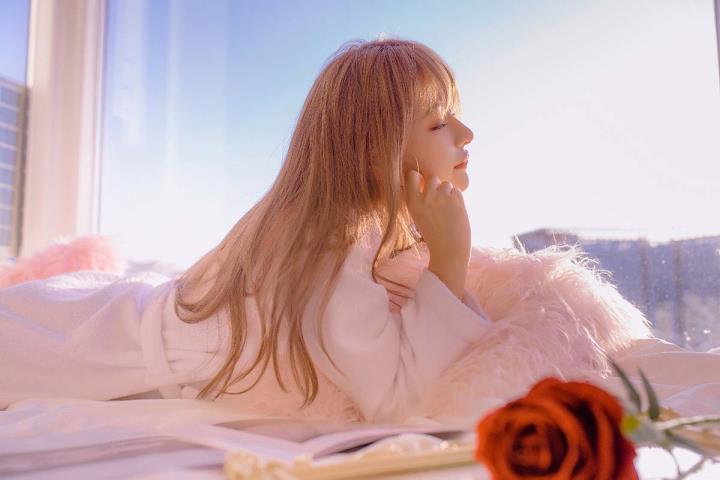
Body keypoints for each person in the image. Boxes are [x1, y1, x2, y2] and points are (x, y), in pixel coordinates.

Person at [2, 37, 698, 423]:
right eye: (440, 122)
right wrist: (448, 260)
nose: (466, 134)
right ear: (373, 151)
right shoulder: (325, 248)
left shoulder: (360, 237)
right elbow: (394, 397)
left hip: (108, 312)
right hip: (76, 338)